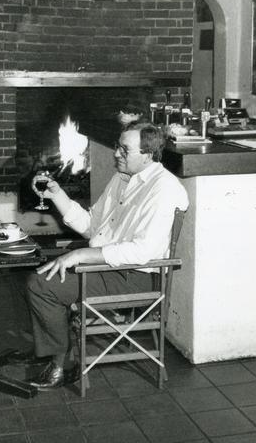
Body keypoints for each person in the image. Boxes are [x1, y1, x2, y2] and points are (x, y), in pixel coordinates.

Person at [25, 120, 189, 390]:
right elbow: (91, 226)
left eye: (125, 150)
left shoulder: (164, 189)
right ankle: (58, 345)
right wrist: (57, 195)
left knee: (41, 286)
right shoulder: (121, 179)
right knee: (46, 271)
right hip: (110, 267)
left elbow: (143, 251)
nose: (116, 154)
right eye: (118, 147)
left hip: (135, 275)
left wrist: (81, 256)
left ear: (148, 155)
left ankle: (61, 361)